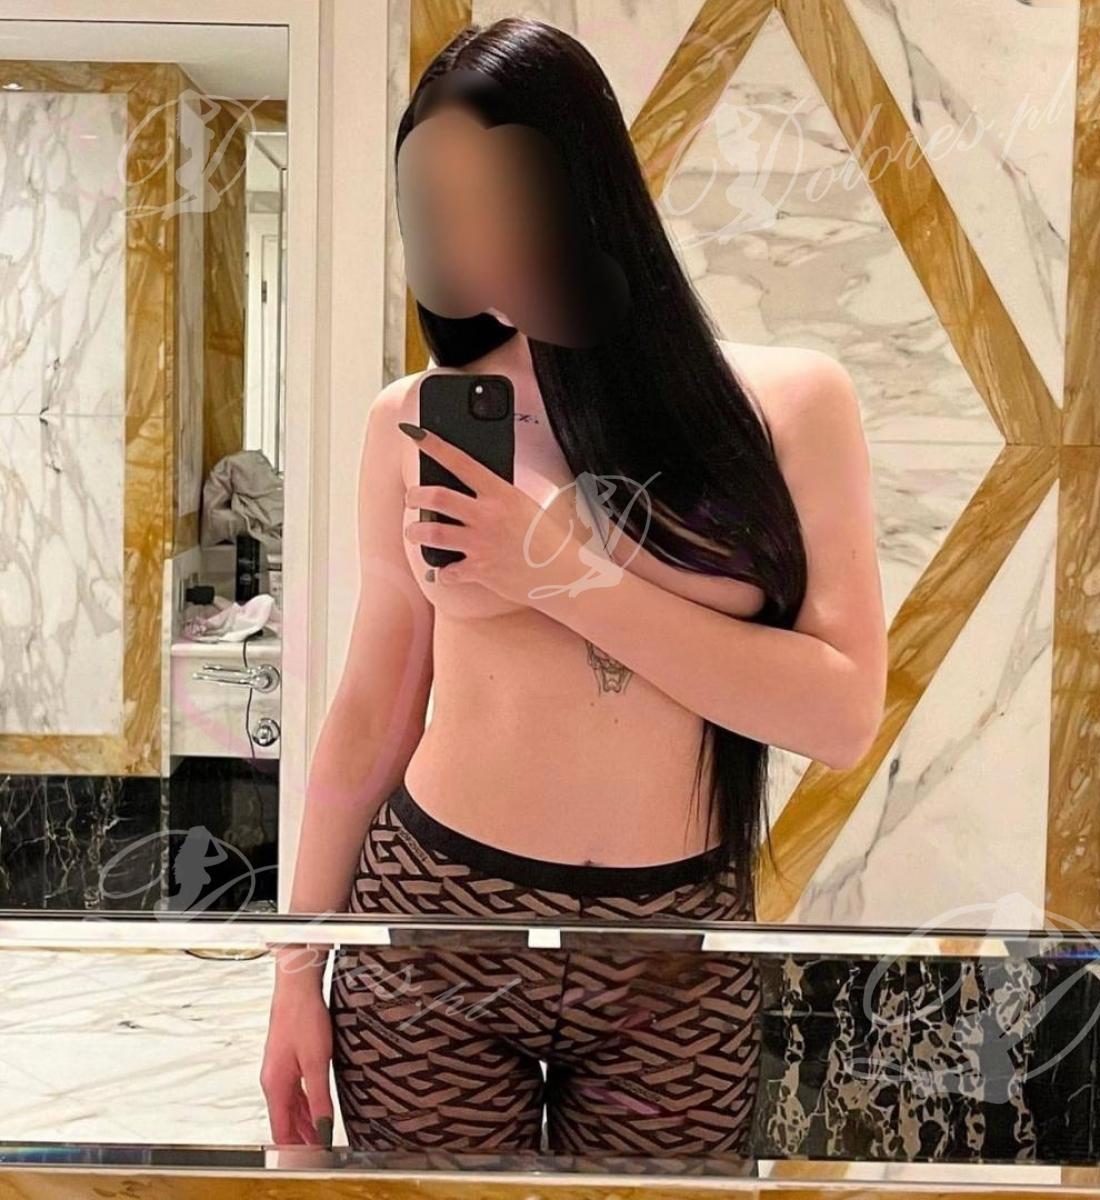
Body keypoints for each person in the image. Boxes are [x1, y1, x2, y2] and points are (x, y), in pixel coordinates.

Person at [260, 15, 887, 1161]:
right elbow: (371, 713)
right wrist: (295, 970)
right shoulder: (412, 422)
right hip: (438, 920)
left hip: (676, 945)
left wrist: (551, 568)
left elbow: (840, 715)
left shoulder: (792, 404)